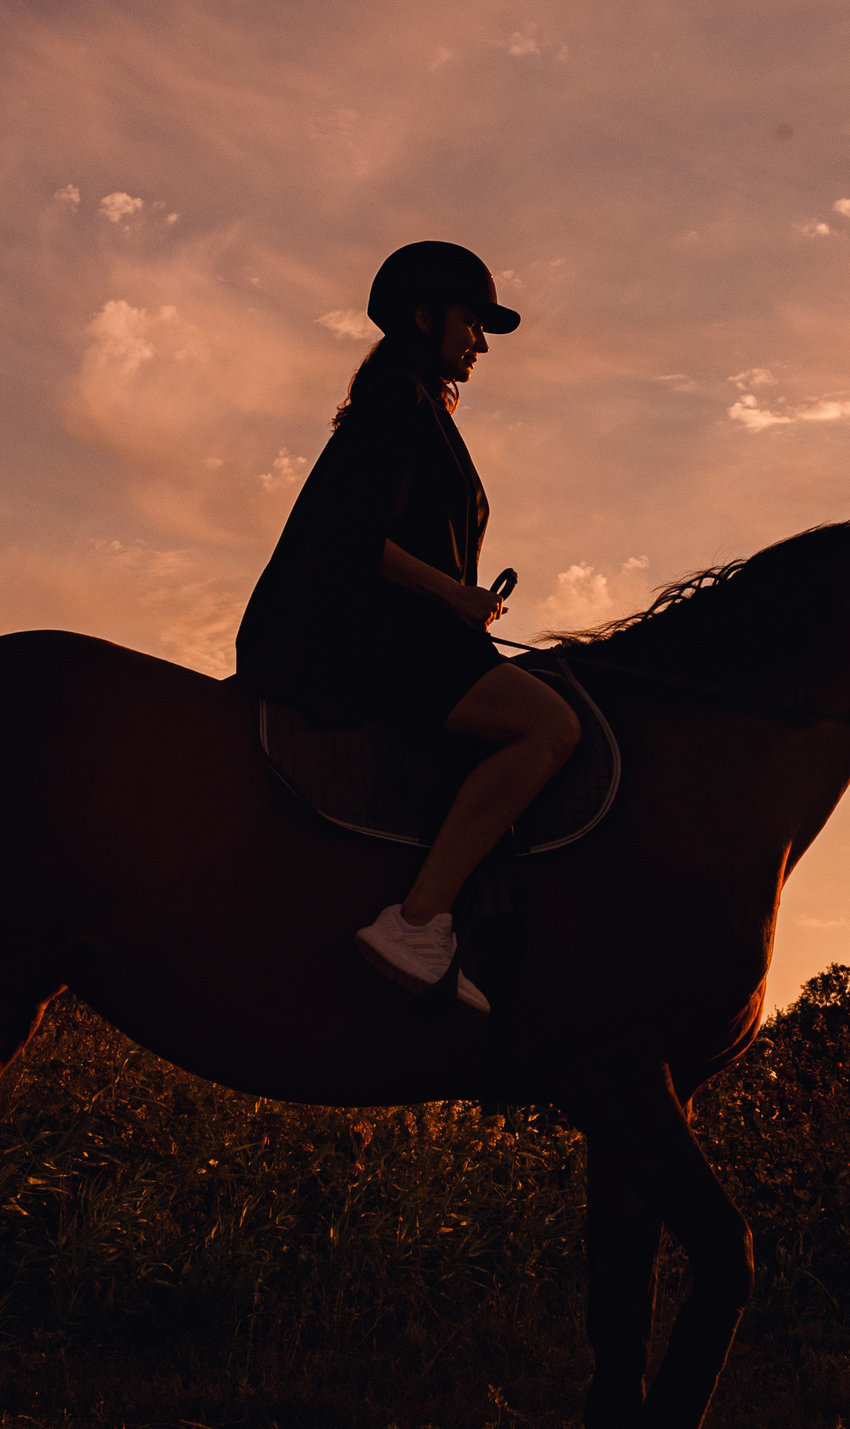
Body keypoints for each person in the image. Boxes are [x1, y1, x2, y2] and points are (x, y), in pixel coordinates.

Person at [236, 241, 579, 1015]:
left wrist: (460, 599)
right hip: (377, 642)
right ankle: (418, 920)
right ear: (426, 317)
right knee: (549, 727)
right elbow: (353, 537)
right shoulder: (398, 401)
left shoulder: (414, 403)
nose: (481, 341)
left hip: (404, 631)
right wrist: (452, 595)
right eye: (473, 321)